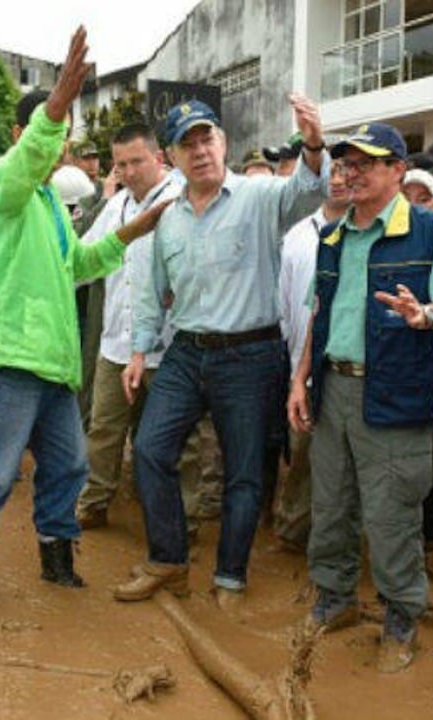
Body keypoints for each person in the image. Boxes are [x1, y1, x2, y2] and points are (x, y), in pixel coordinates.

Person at [0, 27, 170, 602]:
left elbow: (80, 264)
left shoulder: (49, 203)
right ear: (25, 136)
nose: (64, 147)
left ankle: (55, 554)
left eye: (67, 138)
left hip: (56, 365)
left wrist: (134, 228)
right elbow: (31, 155)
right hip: (13, 360)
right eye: (57, 136)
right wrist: (59, 104)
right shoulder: (3, 185)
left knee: (70, 467)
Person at [112, 94, 330, 608]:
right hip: (186, 351)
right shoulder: (167, 219)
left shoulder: (259, 196)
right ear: (171, 156)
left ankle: (230, 575)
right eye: (187, 144)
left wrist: (314, 143)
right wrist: (141, 351)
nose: (200, 151)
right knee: (150, 448)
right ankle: (167, 560)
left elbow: (308, 191)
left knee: (245, 471)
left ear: (223, 142)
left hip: (250, 354)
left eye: (207, 138)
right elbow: (152, 288)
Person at [286, 123, 433, 673]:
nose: (351, 171)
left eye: (367, 162)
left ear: (398, 169)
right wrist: (299, 380)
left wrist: (427, 315)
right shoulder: (332, 235)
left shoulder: (430, 232)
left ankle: (401, 616)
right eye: (346, 162)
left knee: (392, 512)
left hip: (395, 393)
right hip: (332, 389)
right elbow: (316, 316)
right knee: (332, 505)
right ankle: (334, 598)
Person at [73, 123, 202, 533]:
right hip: (116, 342)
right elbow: (86, 258)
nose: (128, 172)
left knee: (177, 438)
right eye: (120, 164)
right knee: (104, 430)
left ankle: (183, 516)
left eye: (136, 162)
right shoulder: (117, 207)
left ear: (158, 158)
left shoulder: (184, 200)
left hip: (169, 347)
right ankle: (94, 501)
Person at [274, 159, 353, 552]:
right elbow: (287, 305)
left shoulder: (365, 233)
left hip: (351, 370)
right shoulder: (296, 236)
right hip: (302, 368)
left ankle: (342, 544)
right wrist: (295, 371)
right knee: (303, 454)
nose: (338, 181)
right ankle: (294, 529)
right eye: (331, 173)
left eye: (345, 172)